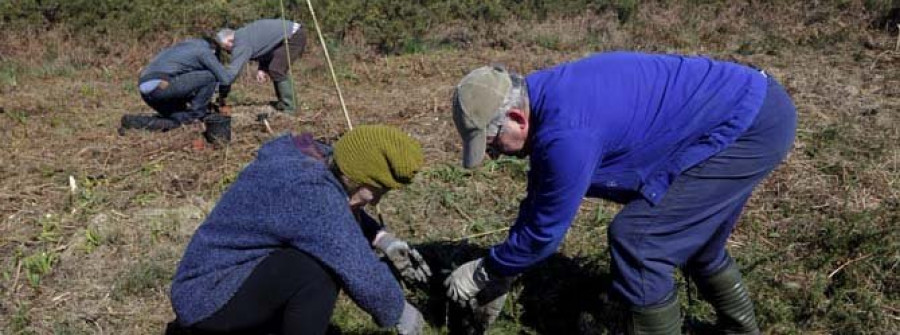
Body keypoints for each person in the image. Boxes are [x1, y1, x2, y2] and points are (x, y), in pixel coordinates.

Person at [444, 52, 797, 334]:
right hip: (753, 106)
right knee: (696, 242)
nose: (492, 156)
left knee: (640, 241)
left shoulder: (567, 133)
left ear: (517, 118)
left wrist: (485, 271)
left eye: (491, 144)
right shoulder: (545, 96)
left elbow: (545, 231)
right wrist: (506, 268)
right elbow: (540, 198)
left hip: (749, 126)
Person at [166, 125, 432, 335]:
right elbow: (356, 263)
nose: (376, 201)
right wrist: (400, 312)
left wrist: (383, 239)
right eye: (377, 191)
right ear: (358, 176)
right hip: (209, 298)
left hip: (214, 278)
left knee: (316, 256)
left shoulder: (313, 159)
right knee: (320, 270)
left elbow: (338, 213)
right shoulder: (310, 193)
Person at [123, 37, 231, 132]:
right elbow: (225, 79)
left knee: (180, 120)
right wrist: (222, 98)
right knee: (210, 75)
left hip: (147, 91)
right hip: (162, 85)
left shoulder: (181, 48)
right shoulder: (204, 50)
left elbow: (187, 83)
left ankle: (134, 122)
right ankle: (196, 117)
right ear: (213, 50)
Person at [215, 19, 307, 114]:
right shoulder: (244, 35)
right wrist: (262, 68)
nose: (228, 51)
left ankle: (291, 107)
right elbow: (267, 47)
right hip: (288, 35)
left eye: (226, 47)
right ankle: (284, 103)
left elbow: (232, 72)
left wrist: (221, 92)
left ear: (229, 40)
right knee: (275, 68)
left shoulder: (240, 42)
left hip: (293, 35)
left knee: (277, 69)